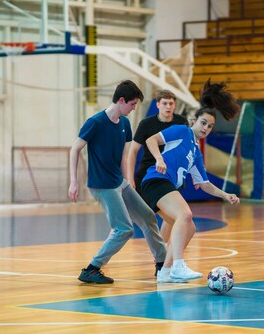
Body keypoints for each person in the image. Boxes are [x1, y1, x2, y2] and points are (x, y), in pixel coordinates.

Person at [141, 80, 241, 283]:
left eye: (210, 126)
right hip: (156, 180)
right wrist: (159, 159)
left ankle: (165, 272)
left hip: (162, 185)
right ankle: (178, 266)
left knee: (190, 227)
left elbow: (204, 184)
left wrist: (225, 195)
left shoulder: (196, 152)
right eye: (203, 123)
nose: (206, 128)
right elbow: (151, 140)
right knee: (185, 214)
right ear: (193, 120)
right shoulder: (182, 131)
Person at [68, 80, 167, 284]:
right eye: (131, 104)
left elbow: (123, 157)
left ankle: (162, 264)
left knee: (148, 216)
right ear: (121, 101)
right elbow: (75, 149)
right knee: (124, 229)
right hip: (102, 185)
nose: (133, 109)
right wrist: (73, 182)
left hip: (118, 182)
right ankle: (92, 268)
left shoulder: (124, 123)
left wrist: (128, 182)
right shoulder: (95, 123)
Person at [126, 89, 187, 265]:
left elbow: (188, 149)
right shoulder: (146, 124)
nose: (168, 106)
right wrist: (130, 179)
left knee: (173, 217)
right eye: (165, 103)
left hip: (171, 177)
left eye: (171, 103)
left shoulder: (181, 123)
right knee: (128, 221)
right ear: (158, 105)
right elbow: (133, 152)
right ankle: (162, 255)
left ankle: (162, 256)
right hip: (147, 178)